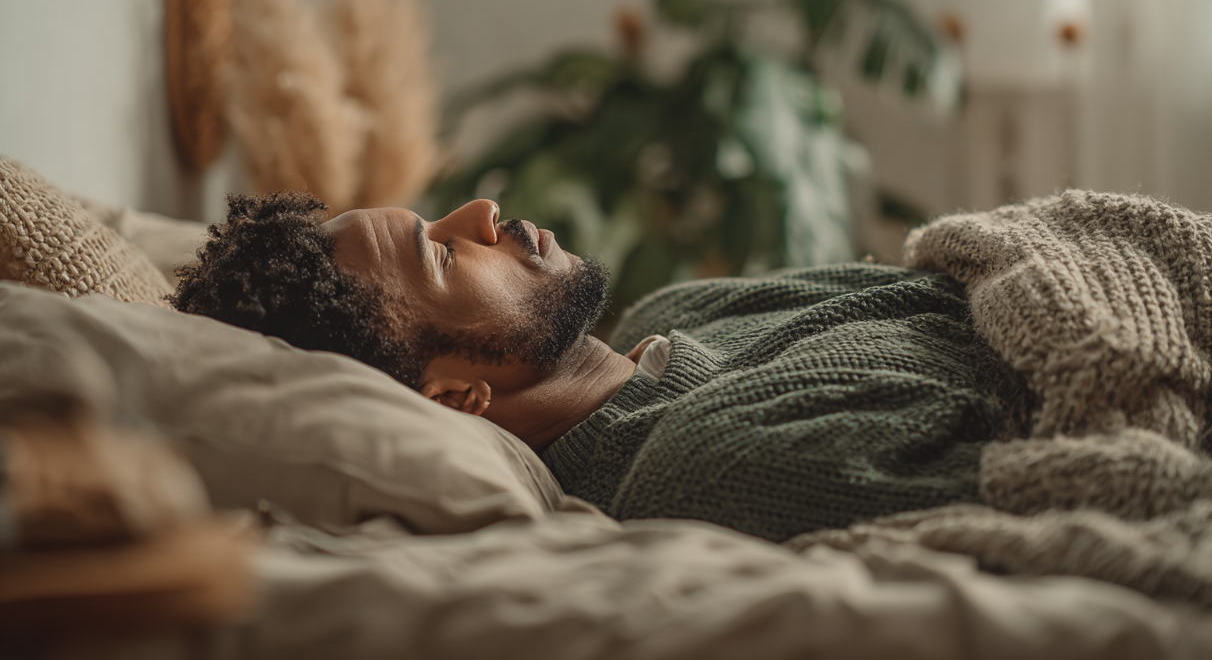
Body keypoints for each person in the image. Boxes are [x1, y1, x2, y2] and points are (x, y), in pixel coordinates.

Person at [174, 191, 1028, 542]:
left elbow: (959, 287)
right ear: (454, 396)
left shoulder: (675, 315)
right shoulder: (700, 476)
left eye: (437, 216)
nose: (481, 211)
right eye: (438, 256)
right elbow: (1035, 458)